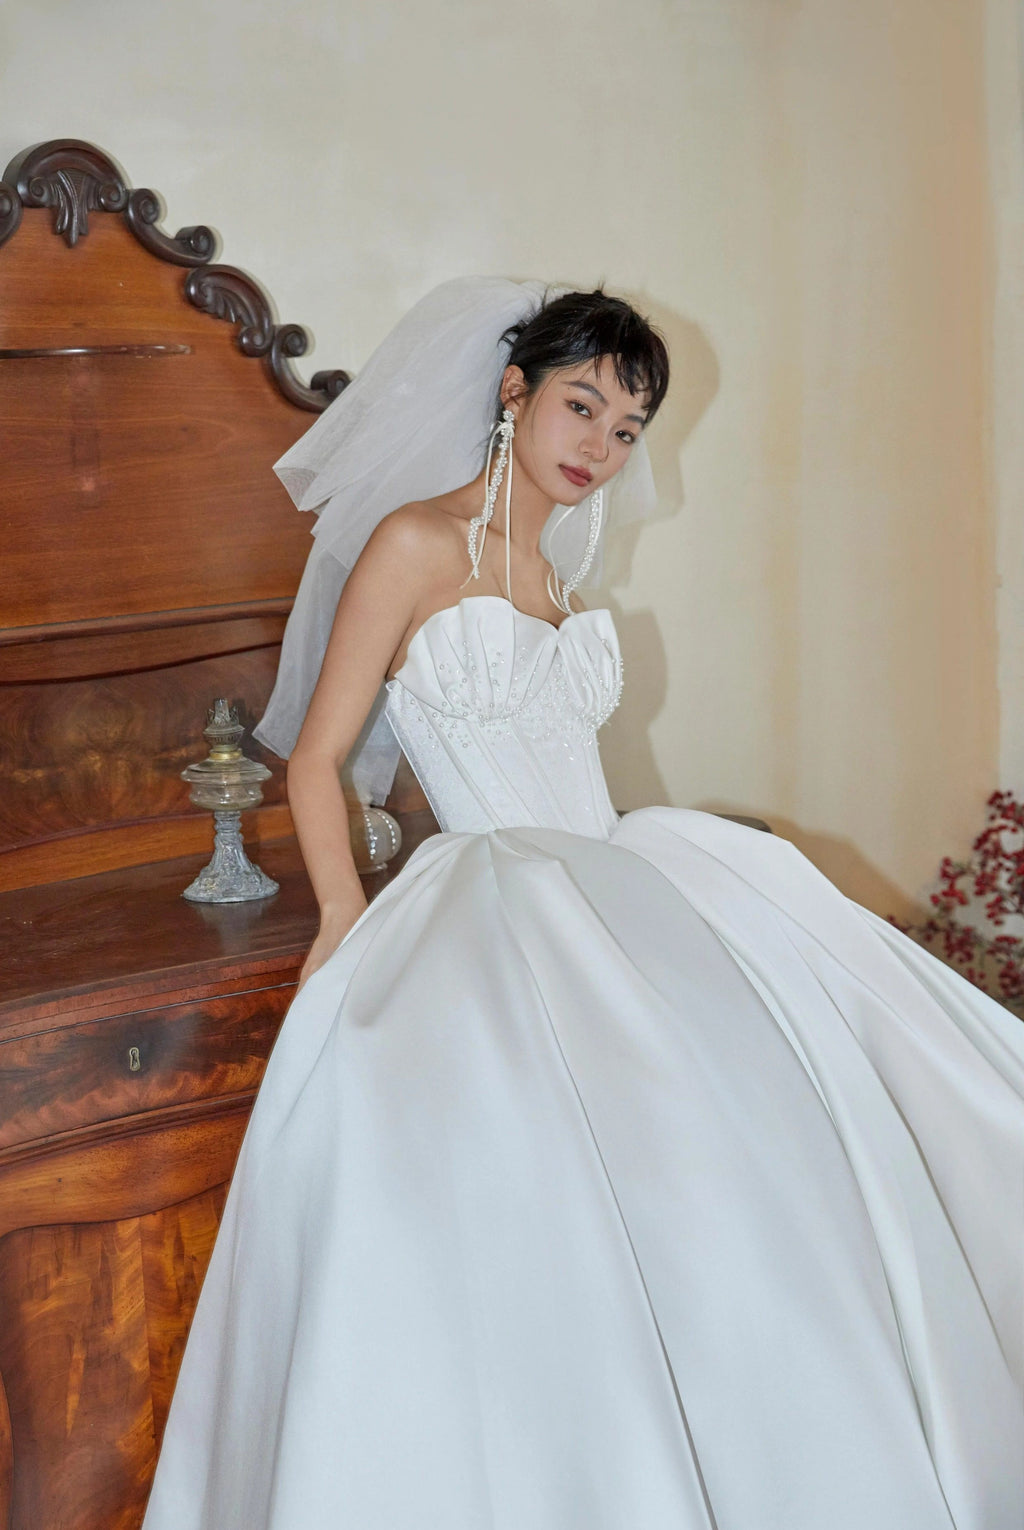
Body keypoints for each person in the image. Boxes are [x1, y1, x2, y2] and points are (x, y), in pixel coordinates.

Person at [141, 278, 1024, 1530]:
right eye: (582, 407)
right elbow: (314, 755)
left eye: (626, 429)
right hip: (496, 900)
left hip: (614, 873)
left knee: (739, 1183)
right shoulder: (413, 542)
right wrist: (342, 921)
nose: (600, 448)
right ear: (514, 395)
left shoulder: (552, 564)